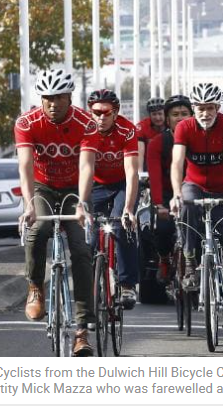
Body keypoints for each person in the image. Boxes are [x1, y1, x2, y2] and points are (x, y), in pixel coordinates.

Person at [15, 69, 99, 356]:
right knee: (37, 229)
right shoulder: (27, 122)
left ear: (69, 97)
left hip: (73, 189)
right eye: (47, 99)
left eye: (59, 98)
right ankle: (35, 286)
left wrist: (82, 203)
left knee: (80, 249)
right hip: (42, 187)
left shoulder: (86, 122)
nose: (52, 104)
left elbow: (87, 165)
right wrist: (28, 204)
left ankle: (82, 330)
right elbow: (25, 165)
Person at [169, 83, 223, 332]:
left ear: (218, 108)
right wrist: (175, 194)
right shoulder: (184, 127)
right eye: (200, 108)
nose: (205, 113)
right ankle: (191, 263)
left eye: (210, 108)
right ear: (194, 109)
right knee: (187, 206)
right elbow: (177, 161)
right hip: (195, 185)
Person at [87, 89, 140, 309]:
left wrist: (128, 208)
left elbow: (131, 172)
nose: (100, 117)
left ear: (115, 112)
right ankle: (90, 286)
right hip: (95, 184)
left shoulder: (127, 130)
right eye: (95, 112)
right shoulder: (86, 130)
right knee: (88, 239)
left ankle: (127, 284)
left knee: (121, 226)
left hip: (121, 185)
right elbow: (84, 168)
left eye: (105, 112)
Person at [145, 95, 193, 281]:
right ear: (167, 119)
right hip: (166, 194)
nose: (180, 118)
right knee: (163, 229)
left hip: (192, 192)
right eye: (175, 114)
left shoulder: (198, 139)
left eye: (184, 114)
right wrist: (159, 204)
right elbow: (155, 176)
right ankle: (164, 259)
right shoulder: (158, 142)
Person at [136, 97, 166, 171]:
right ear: (149, 115)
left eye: (160, 114)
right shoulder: (142, 126)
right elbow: (140, 152)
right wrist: (140, 173)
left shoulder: (171, 124)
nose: (158, 117)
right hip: (149, 163)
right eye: (154, 114)